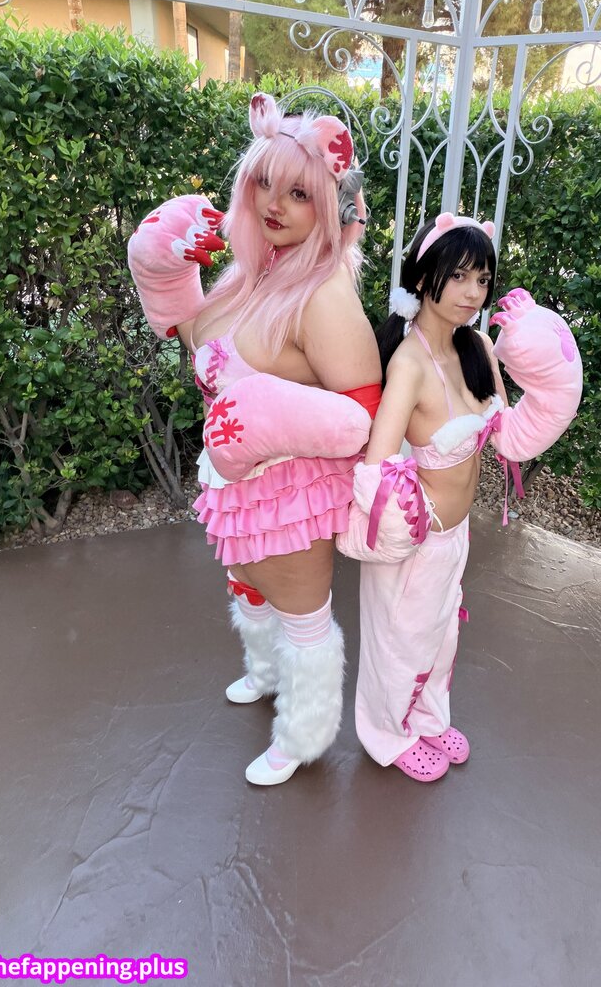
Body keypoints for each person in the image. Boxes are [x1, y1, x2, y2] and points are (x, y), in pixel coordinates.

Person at [128, 92, 381, 786]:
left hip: (291, 490)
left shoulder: (323, 293)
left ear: (327, 208)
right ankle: (264, 672)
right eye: (265, 183)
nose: (275, 204)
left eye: (299, 194)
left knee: (303, 616)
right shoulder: (250, 273)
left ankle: (303, 735)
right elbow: (199, 344)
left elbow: (361, 410)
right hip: (232, 475)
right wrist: (162, 269)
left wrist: (264, 416)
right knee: (248, 585)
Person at [337, 212, 583, 782]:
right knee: (398, 642)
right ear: (425, 276)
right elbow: (377, 464)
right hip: (415, 538)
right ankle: (387, 735)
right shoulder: (409, 363)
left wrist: (556, 388)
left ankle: (427, 718)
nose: (474, 292)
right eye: (460, 276)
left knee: (441, 634)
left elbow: (507, 431)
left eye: (483, 279)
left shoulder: (477, 349)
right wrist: (402, 525)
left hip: (456, 534)